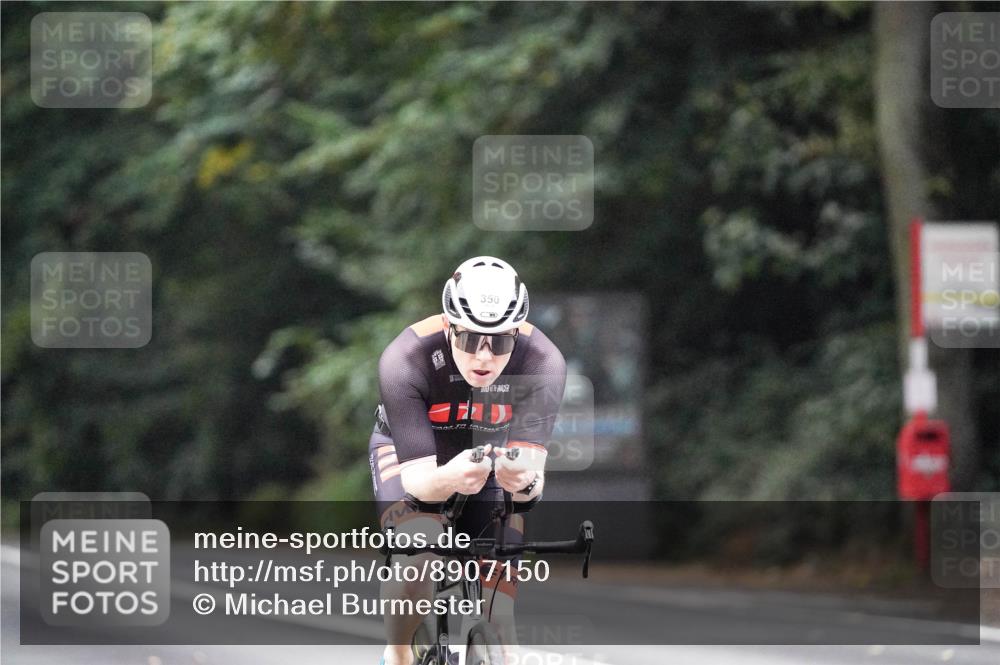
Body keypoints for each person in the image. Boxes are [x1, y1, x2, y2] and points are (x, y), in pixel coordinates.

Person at [370, 256, 567, 665]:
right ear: (448, 326)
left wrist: (522, 480)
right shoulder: (405, 358)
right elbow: (418, 483)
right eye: (469, 340)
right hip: (411, 457)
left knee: (501, 621)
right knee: (416, 561)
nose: (484, 357)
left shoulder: (542, 362)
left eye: (500, 343)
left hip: (486, 461)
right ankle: (398, 654)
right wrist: (451, 478)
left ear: (517, 332)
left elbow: (531, 488)